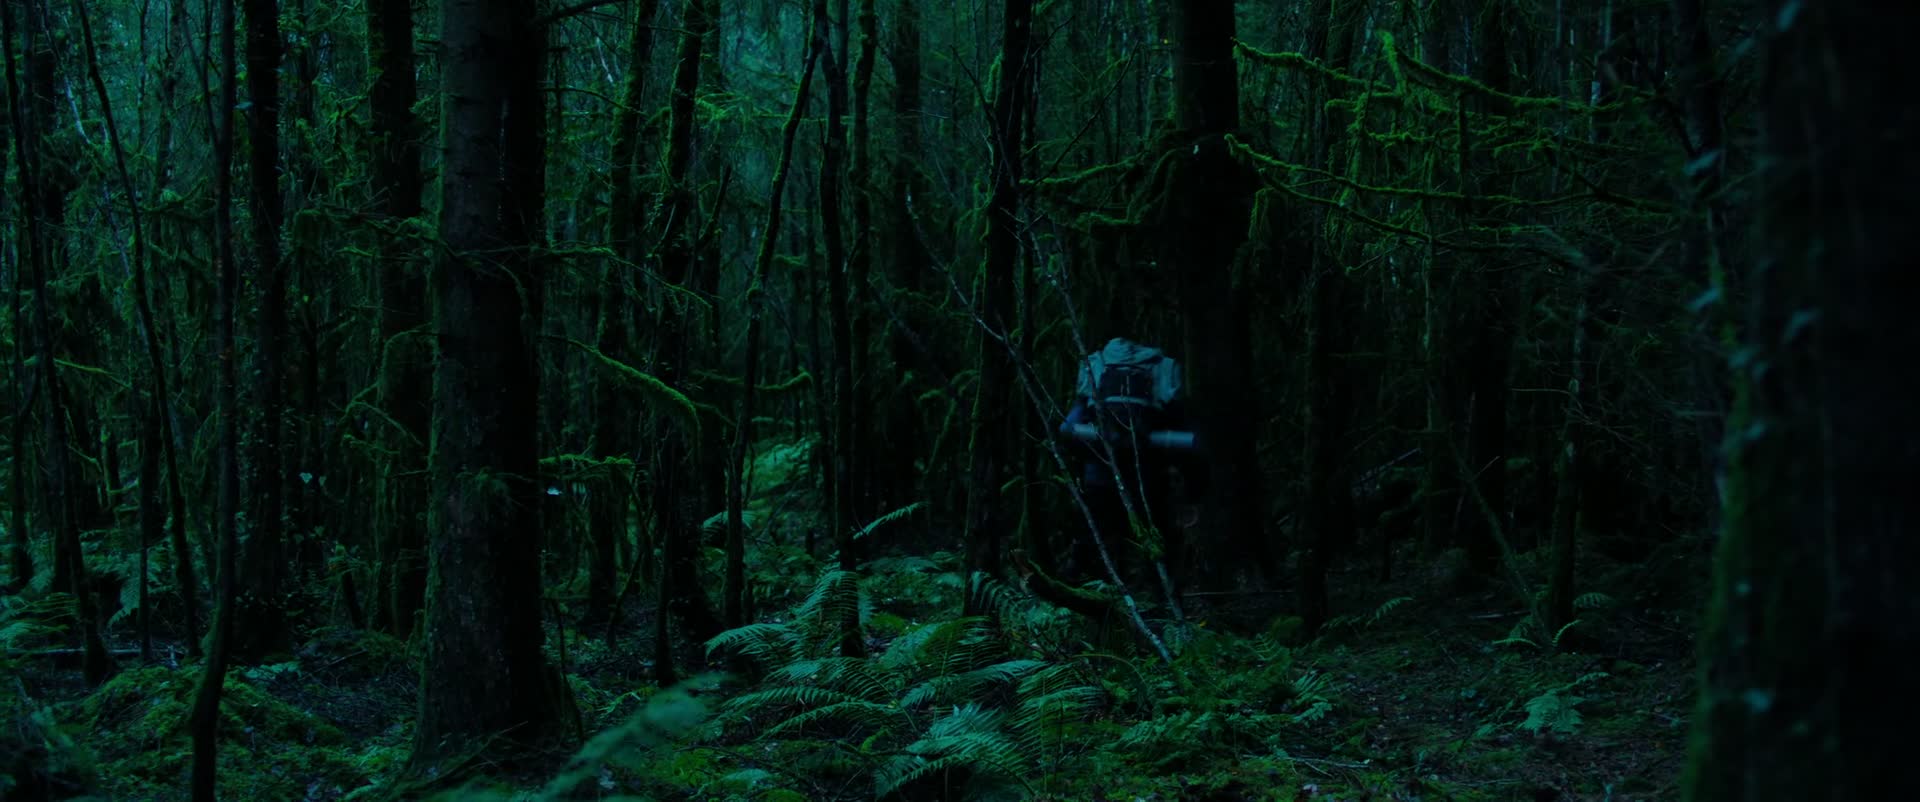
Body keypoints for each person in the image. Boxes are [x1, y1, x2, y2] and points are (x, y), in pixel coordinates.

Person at [1056, 337, 1201, 585]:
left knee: (1090, 541)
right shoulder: (1160, 370)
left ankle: (1069, 593)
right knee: (1156, 543)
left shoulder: (1097, 366)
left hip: (1100, 473)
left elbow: (1069, 427)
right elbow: (1184, 434)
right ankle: (1164, 601)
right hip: (1148, 475)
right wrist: (1192, 489)